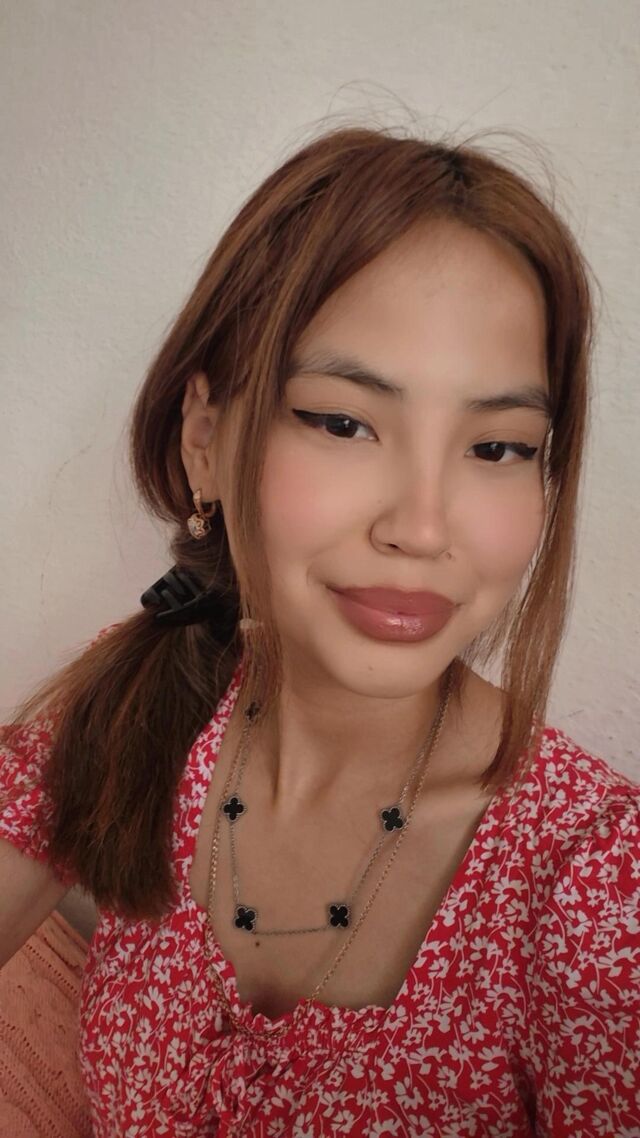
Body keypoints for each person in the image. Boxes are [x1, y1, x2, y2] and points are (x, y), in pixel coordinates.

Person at [1, 123, 638, 1138]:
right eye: (343, 423)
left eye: (497, 447)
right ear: (206, 441)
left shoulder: (596, 890)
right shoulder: (142, 694)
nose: (420, 528)